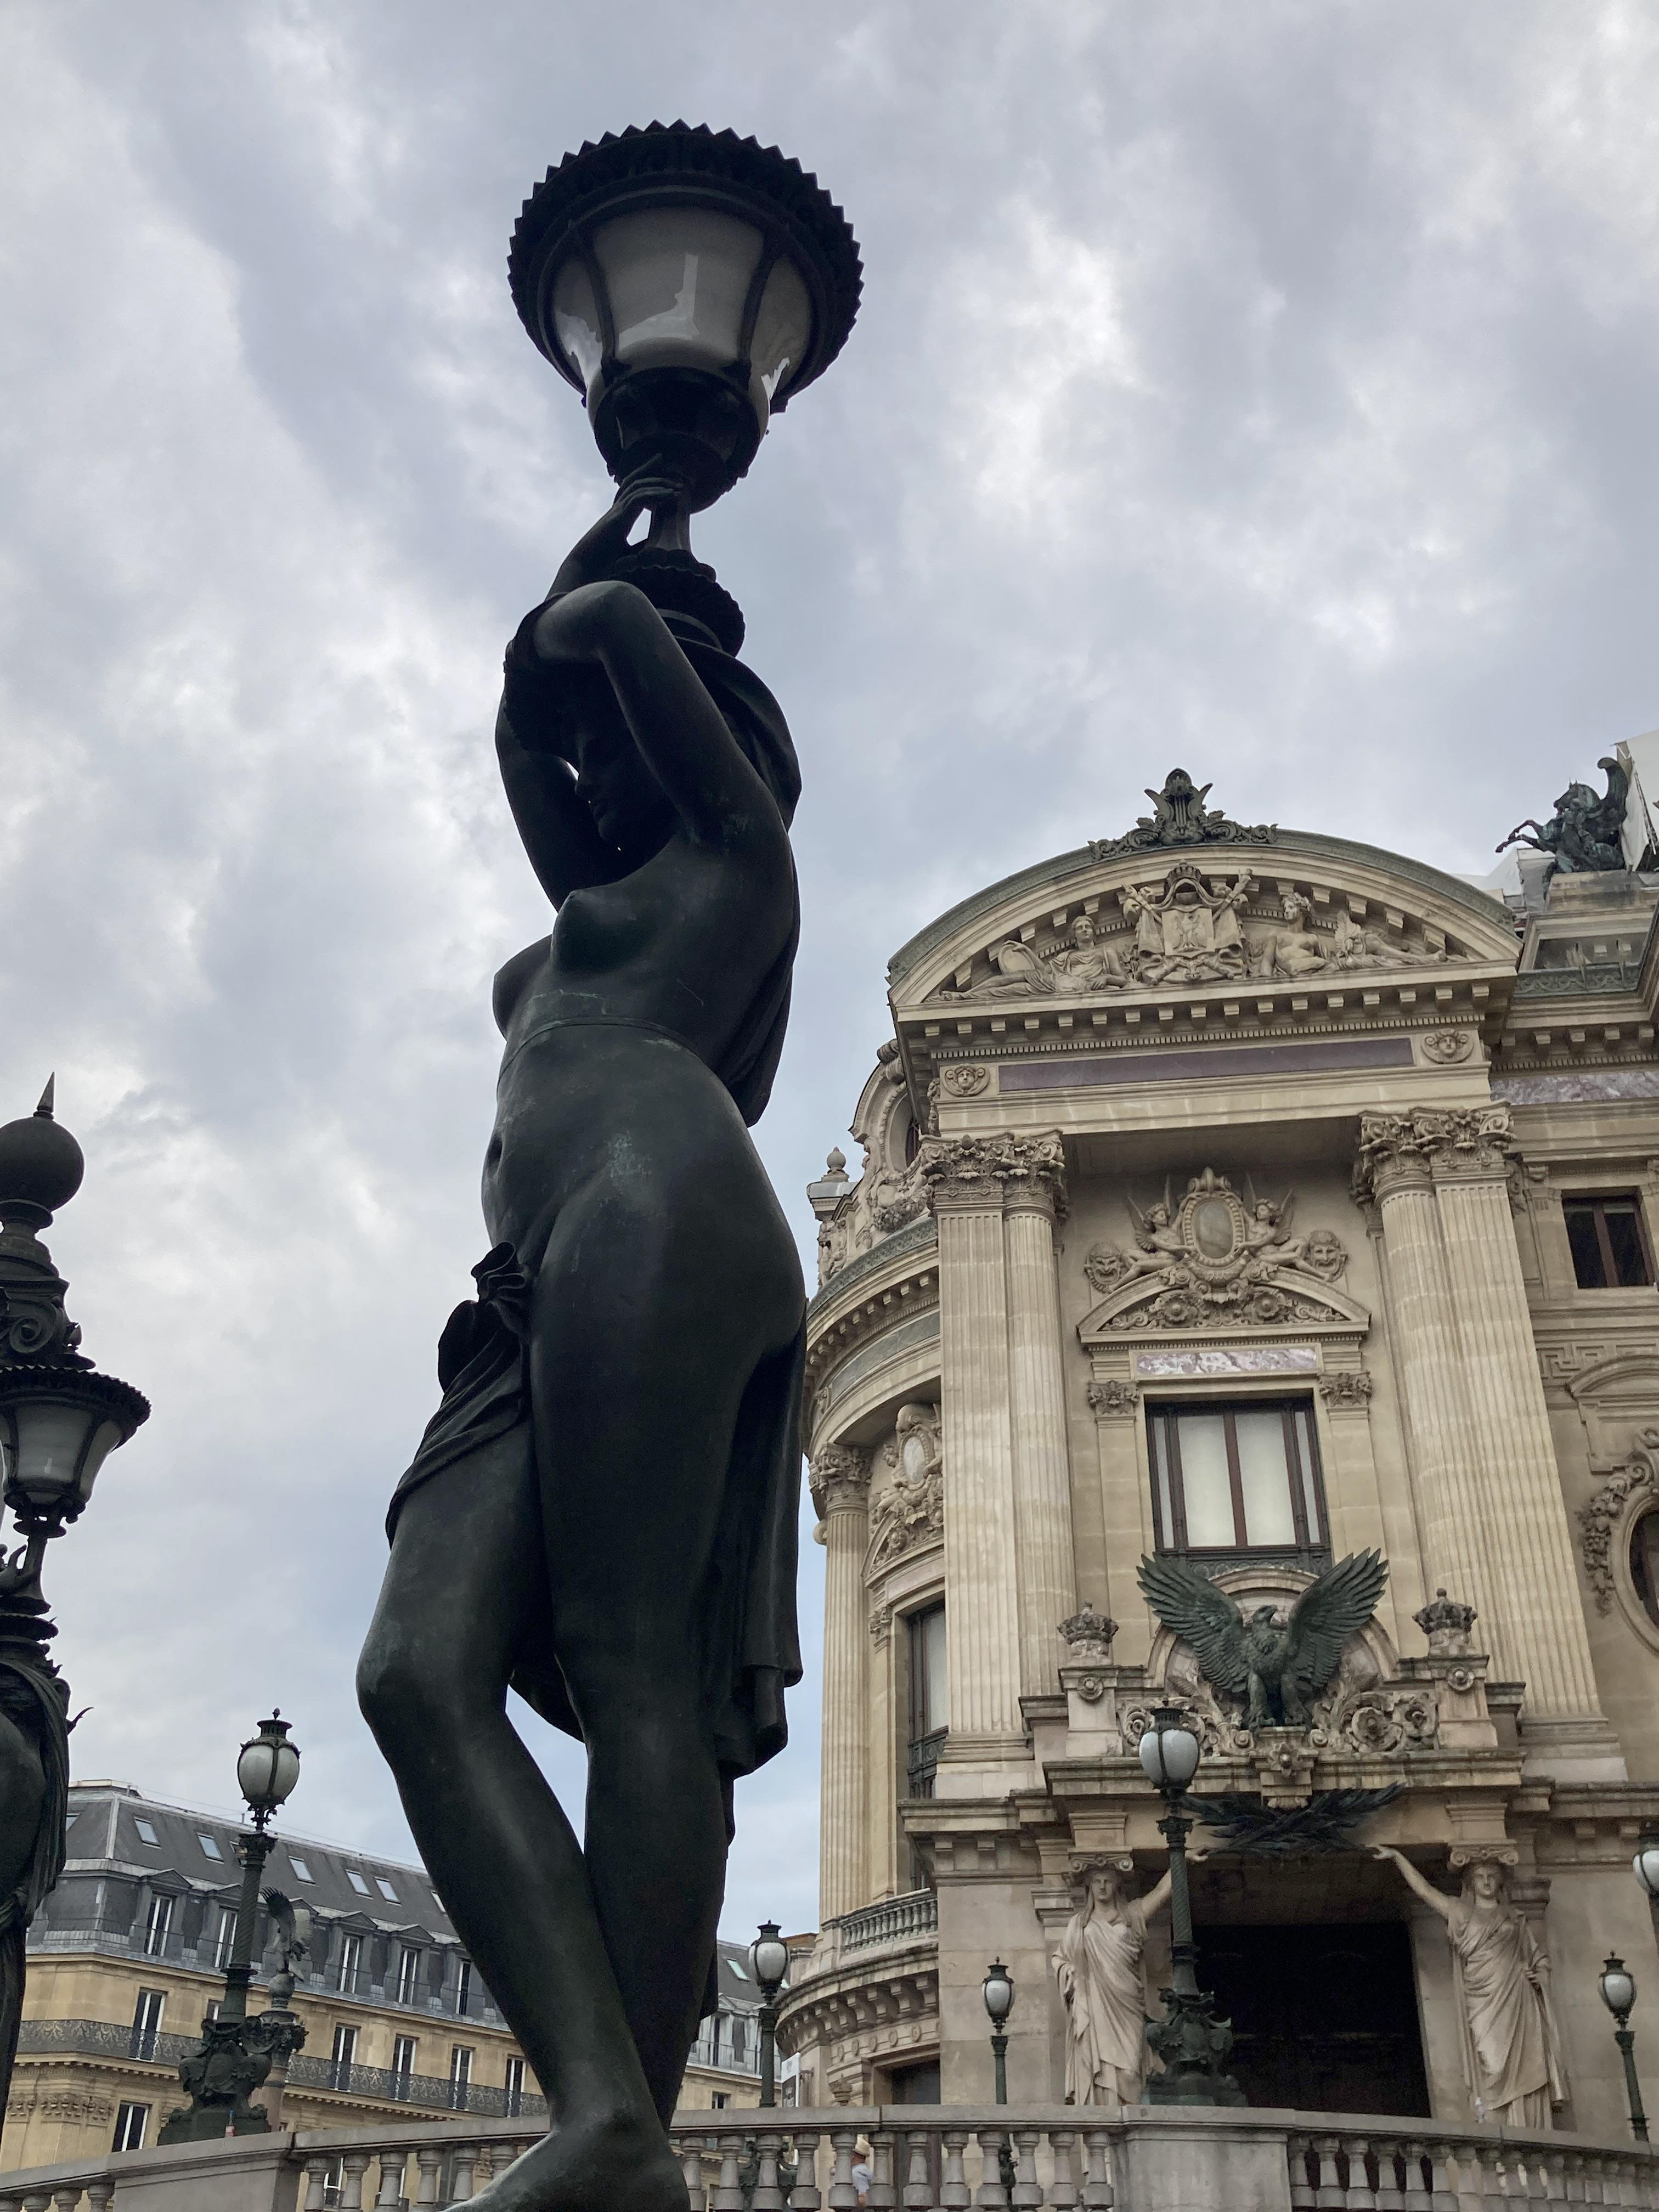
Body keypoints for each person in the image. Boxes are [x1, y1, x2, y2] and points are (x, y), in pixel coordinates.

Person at [358, 475, 808, 2212]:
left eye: (629, 741)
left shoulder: (734, 870)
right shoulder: (587, 914)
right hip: (530, 1273)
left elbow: (600, 634)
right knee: (415, 1669)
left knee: (634, 1671)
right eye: (590, 749)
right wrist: (548, 648)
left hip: (657, 1199)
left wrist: (644, 495)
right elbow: (521, 722)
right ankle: (610, 2115)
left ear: (702, 744)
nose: (596, 770)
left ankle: (625, 2130)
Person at [1372, 1847, 1566, 2126]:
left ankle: (1527, 2125)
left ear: (1500, 1882)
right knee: (1492, 2061)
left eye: (1492, 1876)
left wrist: (1540, 1976)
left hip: (1518, 1994)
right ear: (1471, 1884)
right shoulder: (1460, 1912)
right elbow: (1425, 1892)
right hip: (1482, 2000)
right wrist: (1399, 1858)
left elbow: (1538, 1957)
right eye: (1480, 1877)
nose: (1487, 1882)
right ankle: (1500, 2127)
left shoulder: (1515, 1917)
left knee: (1526, 2062)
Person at [1052, 1859, 1181, 2106]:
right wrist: (1073, 1976)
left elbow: (1161, 1892)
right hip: (1095, 2003)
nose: (1102, 1887)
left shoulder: (1131, 1916)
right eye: (1097, 1882)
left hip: (1128, 2003)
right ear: (1090, 1887)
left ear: (1116, 1886)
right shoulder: (1079, 1924)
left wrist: (1181, 1860)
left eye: (1108, 1882)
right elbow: (1060, 1959)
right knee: (1100, 2065)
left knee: (1131, 2071)